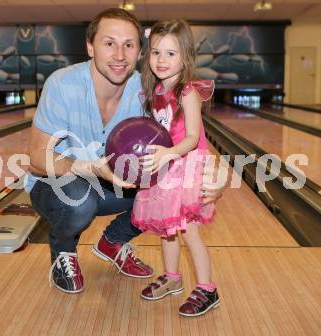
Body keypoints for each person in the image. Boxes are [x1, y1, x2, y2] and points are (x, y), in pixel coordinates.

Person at [27, 8, 223, 294]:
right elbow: (35, 158)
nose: (119, 54)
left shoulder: (145, 90)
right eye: (109, 43)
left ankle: (113, 241)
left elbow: (184, 139)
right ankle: (63, 252)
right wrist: (91, 167)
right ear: (90, 46)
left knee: (161, 195)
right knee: (79, 200)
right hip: (57, 183)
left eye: (129, 45)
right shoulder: (62, 83)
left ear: (139, 52)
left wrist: (212, 180)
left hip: (112, 181)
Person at [132, 19, 220, 317]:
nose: (161, 60)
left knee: (189, 232)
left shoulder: (188, 92)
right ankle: (172, 278)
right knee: (167, 231)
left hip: (186, 165)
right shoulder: (154, 91)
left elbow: (193, 137)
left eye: (171, 53)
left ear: (186, 56)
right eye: (156, 52)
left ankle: (208, 288)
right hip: (166, 167)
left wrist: (169, 153)